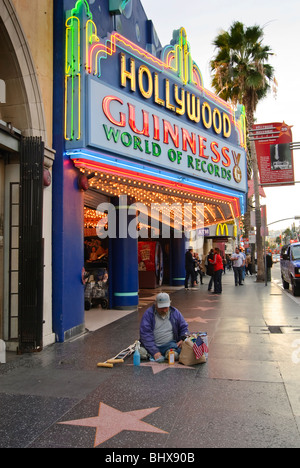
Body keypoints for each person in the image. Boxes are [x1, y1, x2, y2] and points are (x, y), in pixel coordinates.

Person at [139, 292, 189, 362]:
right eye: (161, 308)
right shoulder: (148, 314)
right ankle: (152, 354)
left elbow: (184, 327)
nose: (164, 310)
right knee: (140, 353)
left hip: (170, 345)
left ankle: (165, 354)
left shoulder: (175, 312)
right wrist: (154, 351)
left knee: (173, 355)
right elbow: (145, 334)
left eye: (166, 307)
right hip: (152, 345)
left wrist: (183, 339)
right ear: (156, 304)